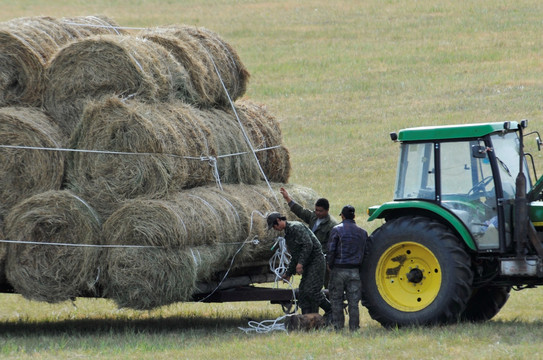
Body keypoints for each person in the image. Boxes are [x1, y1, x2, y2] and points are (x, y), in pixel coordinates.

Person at [267, 212, 332, 317]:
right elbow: (295, 256)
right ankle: (307, 318)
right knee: (302, 292)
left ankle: (330, 311)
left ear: (278, 220)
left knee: (312, 291)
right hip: (308, 263)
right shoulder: (288, 235)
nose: (274, 228)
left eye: (274, 225)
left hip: (316, 261)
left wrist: (300, 263)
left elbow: (308, 244)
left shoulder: (296, 227)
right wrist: (288, 273)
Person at [279, 187, 338, 287]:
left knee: (328, 284)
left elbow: (333, 246)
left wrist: (329, 261)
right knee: (311, 283)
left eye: (320, 211)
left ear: (327, 210)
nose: (318, 213)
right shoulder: (313, 217)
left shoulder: (332, 225)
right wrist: (287, 198)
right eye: (316, 210)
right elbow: (300, 211)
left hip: (323, 258)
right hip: (311, 256)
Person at [327, 205, 368, 331]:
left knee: (336, 300)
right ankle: (354, 328)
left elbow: (331, 250)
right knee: (354, 302)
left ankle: (338, 327)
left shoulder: (336, 230)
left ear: (343, 216)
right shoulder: (363, 232)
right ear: (354, 216)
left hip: (338, 270)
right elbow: (366, 253)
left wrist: (329, 264)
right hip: (355, 271)